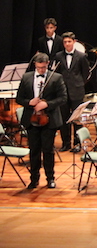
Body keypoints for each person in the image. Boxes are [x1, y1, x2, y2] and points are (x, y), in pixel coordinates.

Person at [16, 53, 67, 189]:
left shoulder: (56, 77)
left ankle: (50, 178)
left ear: (48, 64)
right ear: (35, 65)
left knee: (48, 150)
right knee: (34, 151)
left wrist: (47, 104)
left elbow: (63, 98)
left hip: (49, 120)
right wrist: (29, 102)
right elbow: (19, 99)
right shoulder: (26, 77)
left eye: (44, 68)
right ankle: (34, 179)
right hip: (31, 119)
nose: (41, 70)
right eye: (39, 68)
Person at [55, 31, 90, 152]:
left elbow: (86, 73)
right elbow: (57, 73)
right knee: (64, 118)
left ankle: (77, 143)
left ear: (74, 42)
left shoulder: (81, 56)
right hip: (63, 91)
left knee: (76, 118)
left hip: (77, 90)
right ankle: (66, 143)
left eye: (69, 41)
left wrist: (79, 83)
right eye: (65, 42)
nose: (67, 44)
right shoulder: (58, 56)